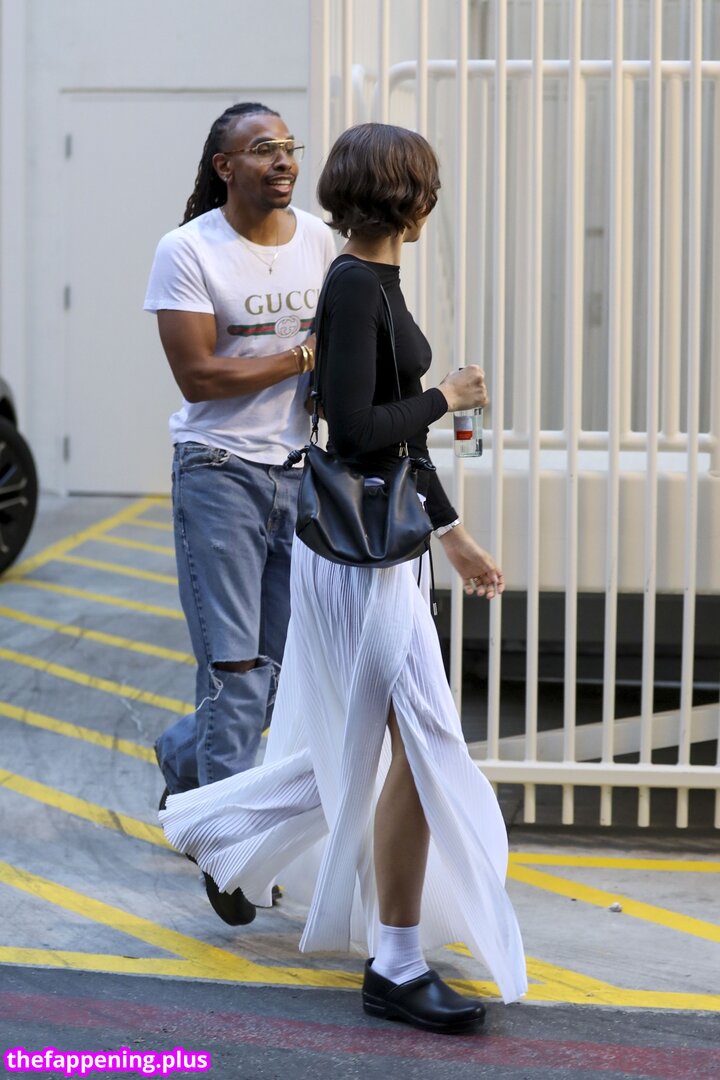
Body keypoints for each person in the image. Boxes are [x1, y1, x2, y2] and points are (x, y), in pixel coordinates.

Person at [160, 122, 527, 1033]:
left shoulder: (370, 279)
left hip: (382, 558)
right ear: (414, 198)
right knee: (423, 746)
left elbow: (396, 443)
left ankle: (214, 827)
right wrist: (449, 395)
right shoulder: (358, 284)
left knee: (366, 749)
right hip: (362, 569)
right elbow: (360, 430)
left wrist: (453, 535)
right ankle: (394, 964)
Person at [144, 102, 336, 924]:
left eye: (288, 147)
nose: (283, 160)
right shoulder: (188, 250)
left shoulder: (320, 240)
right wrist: (302, 355)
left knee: (276, 672)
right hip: (218, 472)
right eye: (263, 149)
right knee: (235, 672)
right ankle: (229, 852)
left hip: (297, 474)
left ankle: (182, 757)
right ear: (225, 166)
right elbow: (199, 376)